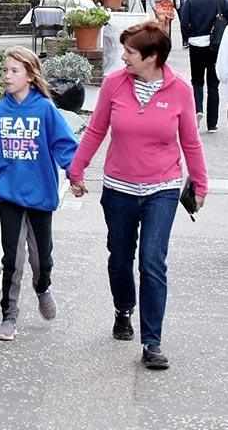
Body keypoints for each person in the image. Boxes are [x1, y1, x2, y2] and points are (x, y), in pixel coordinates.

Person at [68, 21, 207, 370]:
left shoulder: (180, 90)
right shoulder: (115, 84)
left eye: (130, 52)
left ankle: (152, 342)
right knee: (119, 258)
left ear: (153, 56)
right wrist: (77, 169)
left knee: (151, 260)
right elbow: (97, 129)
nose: (124, 57)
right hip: (119, 188)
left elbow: (190, 141)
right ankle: (122, 308)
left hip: (162, 187)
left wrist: (200, 184)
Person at [0, 47, 78, 343]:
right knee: (13, 258)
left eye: (14, 71)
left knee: (41, 259)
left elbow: (64, 146)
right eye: (5, 70)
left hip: (40, 196)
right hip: (8, 196)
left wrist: (74, 174)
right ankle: (9, 316)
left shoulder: (45, 110)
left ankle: (43, 286)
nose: (7, 76)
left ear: (30, 76)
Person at [179, 0, 227, 132]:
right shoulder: (221, 0)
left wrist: (188, 37)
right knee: (213, 83)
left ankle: (198, 109)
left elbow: (184, 23)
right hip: (215, 45)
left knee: (197, 80)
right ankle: (212, 123)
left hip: (196, 44)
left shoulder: (191, 1)